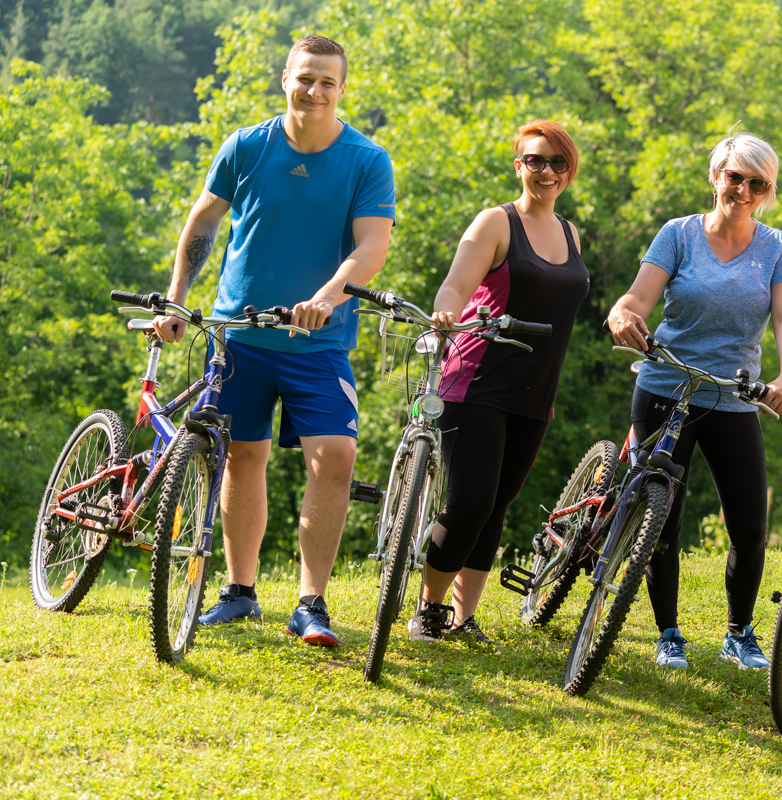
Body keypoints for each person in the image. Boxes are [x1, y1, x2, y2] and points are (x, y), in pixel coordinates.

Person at [153, 36, 395, 648]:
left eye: (327, 83)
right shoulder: (246, 145)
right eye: (305, 78)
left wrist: (329, 295)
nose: (314, 91)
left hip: (319, 341)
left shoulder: (367, 160)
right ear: (285, 77)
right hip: (240, 335)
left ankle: (310, 603)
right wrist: (181, 295)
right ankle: (239, 592)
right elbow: (204, 221)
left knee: (335, 457)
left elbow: (373, 246)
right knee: (242, 455)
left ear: (343, 90)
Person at [606, 132, 782, 670]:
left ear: (767, 192)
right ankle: (669, 633)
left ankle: (739, 632)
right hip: (666, 384)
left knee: (748, 524)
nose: (742, 189)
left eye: (756, 183)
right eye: (734, 176)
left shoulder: (778, 247)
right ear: (716, 175)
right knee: (660, 516)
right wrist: (623, 314)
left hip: (733, 396)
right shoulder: (678, 234)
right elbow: (638, 297)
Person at [407, 120, 590, 644]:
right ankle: (430, 611)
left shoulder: (570, 233)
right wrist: (445, 315)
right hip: (477, 379)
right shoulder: (495, 223)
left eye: (559, 162)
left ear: (569, 170)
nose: (548, 171)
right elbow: (454, 287)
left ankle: (464, 618)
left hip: (536, 390)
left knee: (496, 506)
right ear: (519, 166)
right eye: (536, 160)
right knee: (469, 502)